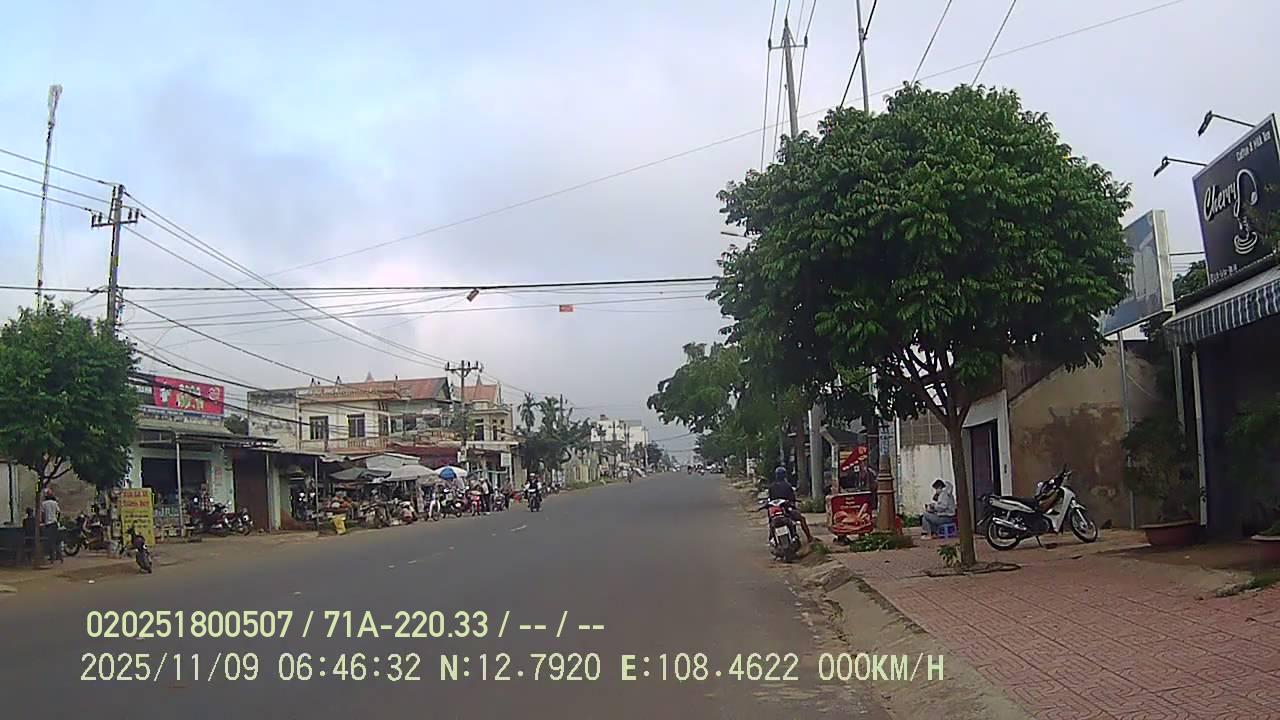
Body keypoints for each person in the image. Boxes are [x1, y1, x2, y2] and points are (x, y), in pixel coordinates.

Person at [767, 466, 813, 543]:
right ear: (784, 475)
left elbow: (771, 499)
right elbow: (792, 499)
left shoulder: (772, 486)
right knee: (802, 519)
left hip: (776, 510)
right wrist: (793, 505)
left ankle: (771, 537)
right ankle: (809, 537)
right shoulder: (787, 485)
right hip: (786, 509)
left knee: (771, 520)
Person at [40, 490, 62, 561]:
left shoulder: (43, 504)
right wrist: (57, 519)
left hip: (48, 524)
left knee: (49, 541)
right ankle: (58, 555)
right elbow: (59, 512)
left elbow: (43, 514)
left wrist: (43, 521)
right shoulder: (55, 503)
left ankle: (51, 556)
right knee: (56, 540)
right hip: (54, 524)